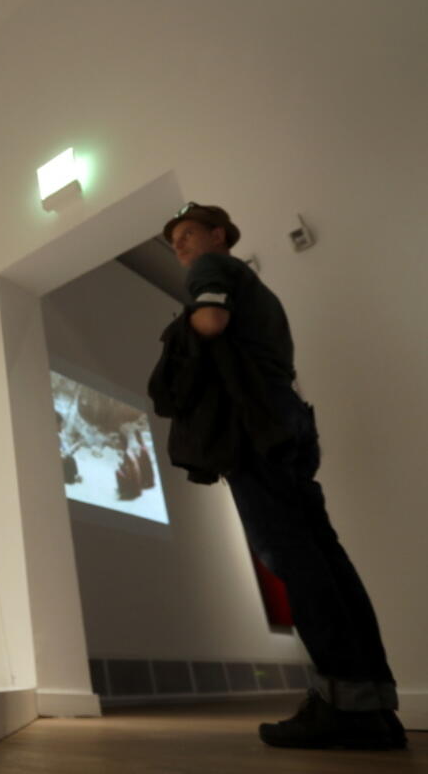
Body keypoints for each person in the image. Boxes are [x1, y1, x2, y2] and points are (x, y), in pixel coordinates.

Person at [163, 202, 404, 750]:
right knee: (324, 557)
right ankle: (372, 705)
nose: (179, 246)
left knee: (293, 559)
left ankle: (343, 707)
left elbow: (208, 320)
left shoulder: (213, 268)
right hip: (287, 422)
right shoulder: (261, 291)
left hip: (253, 429)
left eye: (187, 234)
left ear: (216, 235)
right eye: (174, 240)